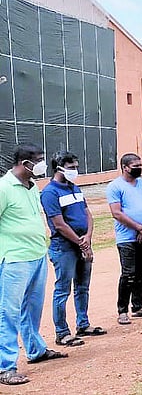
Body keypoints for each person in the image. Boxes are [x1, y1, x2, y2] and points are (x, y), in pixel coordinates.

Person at [0, 144, 68, 386]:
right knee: (8, 313)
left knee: (32, 309)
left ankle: (35, 349)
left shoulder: (31, 187)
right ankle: (5, 367)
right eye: (37, 161)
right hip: (14, 259)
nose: (41, 165)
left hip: (37, 255)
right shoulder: (4, 188)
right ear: (23, 163)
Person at [40, 151, 107, 348]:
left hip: (82, 244)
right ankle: (62, 332)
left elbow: (88, 215)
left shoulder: (75, 189)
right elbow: (59, 224)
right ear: (59, 168)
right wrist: (80, 242)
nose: (75, 171)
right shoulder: (50, 193)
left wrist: (87, 238)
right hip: (64, 247)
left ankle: (83, 324)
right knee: (62, 290)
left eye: (76, 167)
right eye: (71, 168)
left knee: (82, 287)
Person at [107, 153, 142, 325]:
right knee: (128, 274)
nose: (139, 168)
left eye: (140, 165)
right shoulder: (115, 186)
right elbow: (117, 213)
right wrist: (139, 228)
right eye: (135, 166)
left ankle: (138, 306)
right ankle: (122, 310)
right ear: (124, 167)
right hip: (126, 238)